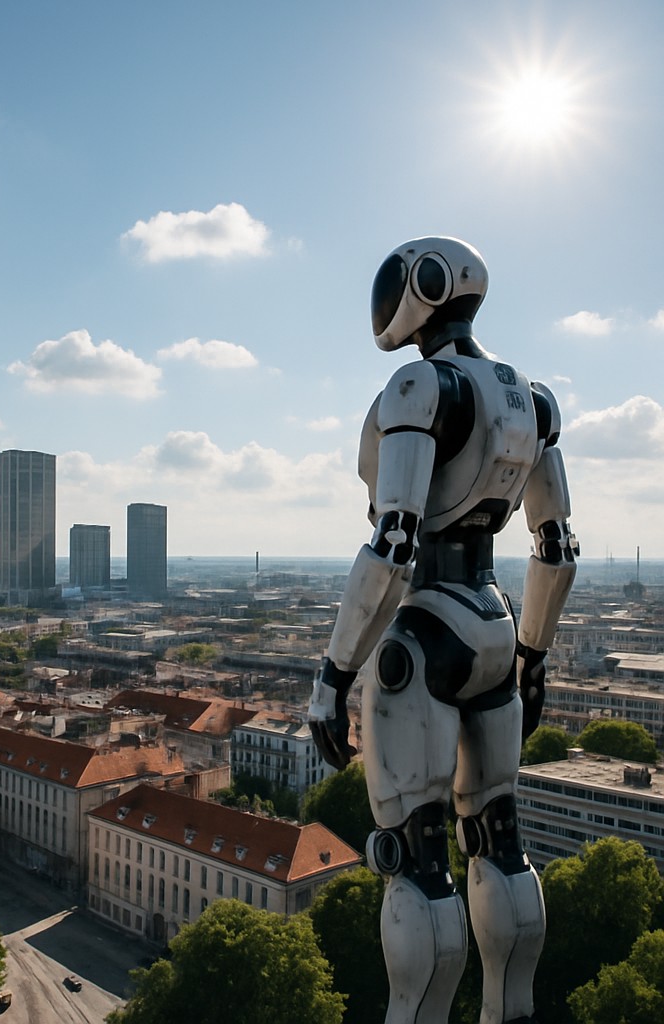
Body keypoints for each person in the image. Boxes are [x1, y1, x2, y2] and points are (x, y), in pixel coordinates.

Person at [308, 237, 578, 1024]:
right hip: (495, 625)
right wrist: (531, 656)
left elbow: (394, 542)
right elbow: (554, 545)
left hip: (427, 636)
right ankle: (511, 1011)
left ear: (423, 288)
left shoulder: (420, 388)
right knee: (499, 839)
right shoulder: (532, 398)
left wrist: (332, 676)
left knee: (418, 863)